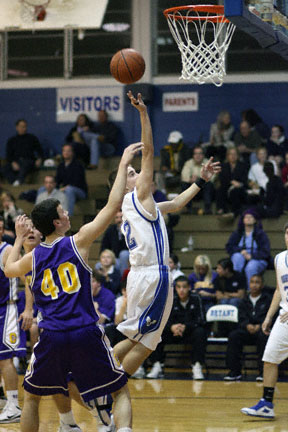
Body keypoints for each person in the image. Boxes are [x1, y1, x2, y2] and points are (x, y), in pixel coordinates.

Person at [4, 141, 143, 432]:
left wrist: (18, 238)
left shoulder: (34, 256)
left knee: (31, 399)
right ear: (57, 222)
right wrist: (122, 164)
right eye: (62, 211)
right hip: (85, 331)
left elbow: (8, 269)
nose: (67, 213)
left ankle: (75, 423)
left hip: (52, 334)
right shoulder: (79, 242)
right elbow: (112, 204)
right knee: (119, 390)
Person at [112, 91, 220, 381]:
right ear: (126, 184)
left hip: (141, 276)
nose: (138, 174)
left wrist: (201, 179)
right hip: (152, 276)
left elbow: (175, 204)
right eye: (132, 173)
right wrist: (143, 113)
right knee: (144, 341)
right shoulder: (138, 197)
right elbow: (148, 152)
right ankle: (107, 378)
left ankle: (108, 373)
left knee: (142, 339)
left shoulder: (137, 205)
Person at [240, 223, 288, 419]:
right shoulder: (279, 259)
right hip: (284, 318)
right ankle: (267, 404)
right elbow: (279, 289)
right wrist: (268, 317)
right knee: (269, 359)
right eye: (287, 232)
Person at [146, 276, 207, 380]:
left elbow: (201, 319)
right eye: (178, 287)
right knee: (156, 332)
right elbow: (163, 319)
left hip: (190, 332)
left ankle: (197, 366)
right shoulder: (171, 299)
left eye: (184, 287)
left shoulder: (196, 298)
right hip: (173, 332)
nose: (181, 290)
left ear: (189, 287)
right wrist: (172, 327)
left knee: (201, 332)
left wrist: (186, 327)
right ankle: (157, 364)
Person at [0, 216, 28, 424]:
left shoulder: (8, 250)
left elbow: (25, 278)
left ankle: (13, 404)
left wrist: (28, 308)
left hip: (7, 308)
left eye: (1, 227)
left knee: (5, 358)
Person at [224, 274, 271, 381]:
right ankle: (234, 372)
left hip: (262, 330)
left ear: (262, 285)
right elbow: (240, 318)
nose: (254, 285)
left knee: (265, 336)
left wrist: (260, 326)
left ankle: (263, 373)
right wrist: (247, 325)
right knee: (234, 336)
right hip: (247, 330)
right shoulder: (243, 301)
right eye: (252, 282)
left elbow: (270, 316)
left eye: (257, 282)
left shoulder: (268, 300)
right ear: (249, 284)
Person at [226, 209, 271, 289]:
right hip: (241, 256)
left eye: (251, 217)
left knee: (251, 267)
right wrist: (240, 251)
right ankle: (237, 288)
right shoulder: (237, 233)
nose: (248, 219)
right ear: (243, 220)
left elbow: (265, 251)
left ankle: (250, 291)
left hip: (257, 259)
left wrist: (251, 256)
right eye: (246, 217)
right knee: (237, 257)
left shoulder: (261, 234)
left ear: (255, 220)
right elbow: (229, 246)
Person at [2, 119, 43, 186]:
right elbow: (8, 155)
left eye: (25, 126)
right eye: (21, 126)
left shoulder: (32, 138)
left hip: (29, 161)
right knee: (4, 168)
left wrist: (39, 159)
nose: (23, 128)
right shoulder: (11, 140)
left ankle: (19, 181)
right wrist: (13, 162)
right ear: (17, 127)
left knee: (25, 164)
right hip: (16, 162)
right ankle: (14, 182)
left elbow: (40, 151)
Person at [181, 146, 216, 214]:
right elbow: (184, 176)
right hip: (192, 190)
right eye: (196, 154)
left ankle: (207, 209)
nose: (198, 156)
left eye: (200, 154)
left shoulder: (208, 163)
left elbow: (212, 177)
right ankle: (188, 209)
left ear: (203, 155)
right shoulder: (188, 163)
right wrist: (190, 179)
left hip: (204, 189)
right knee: (184, 184)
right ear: (193, 155)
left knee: (209, 185)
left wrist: (199, 180)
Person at [56, 143, 88, 216]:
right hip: (65, 190)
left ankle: (67, 216)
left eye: (68, 151)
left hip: (80, 191)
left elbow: (77, 182)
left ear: (72, 153)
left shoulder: (78, 165)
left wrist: (64, 188)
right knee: (45, 189)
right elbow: (57, 181)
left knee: (69, 190)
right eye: (64, 151)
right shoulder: (61, 166)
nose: (66, 153)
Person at [216, 146, 248, 217]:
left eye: (235, 154)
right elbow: (222, 178)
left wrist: (239, 184)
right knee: (220, 189)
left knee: (235, 191)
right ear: (227, 156)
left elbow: (245, 180)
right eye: (231, 154)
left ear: (238, 156)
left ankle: (234, 212)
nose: (233, 156)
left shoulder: (243, 165)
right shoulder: (223, 166)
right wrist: (231, 182)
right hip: (227, 186)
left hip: (239, 188)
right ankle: (221, 209)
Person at [100, 211, 129, 277]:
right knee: (98, 265)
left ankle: (123, 281)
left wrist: (122, 234)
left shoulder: (130, 229)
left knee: (123, 254)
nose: (119, 220)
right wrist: (108, 256)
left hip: (128, 257)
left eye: (121, 217)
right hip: (114, 258)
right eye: (117, 218)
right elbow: (104, 246)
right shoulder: (110, 230)